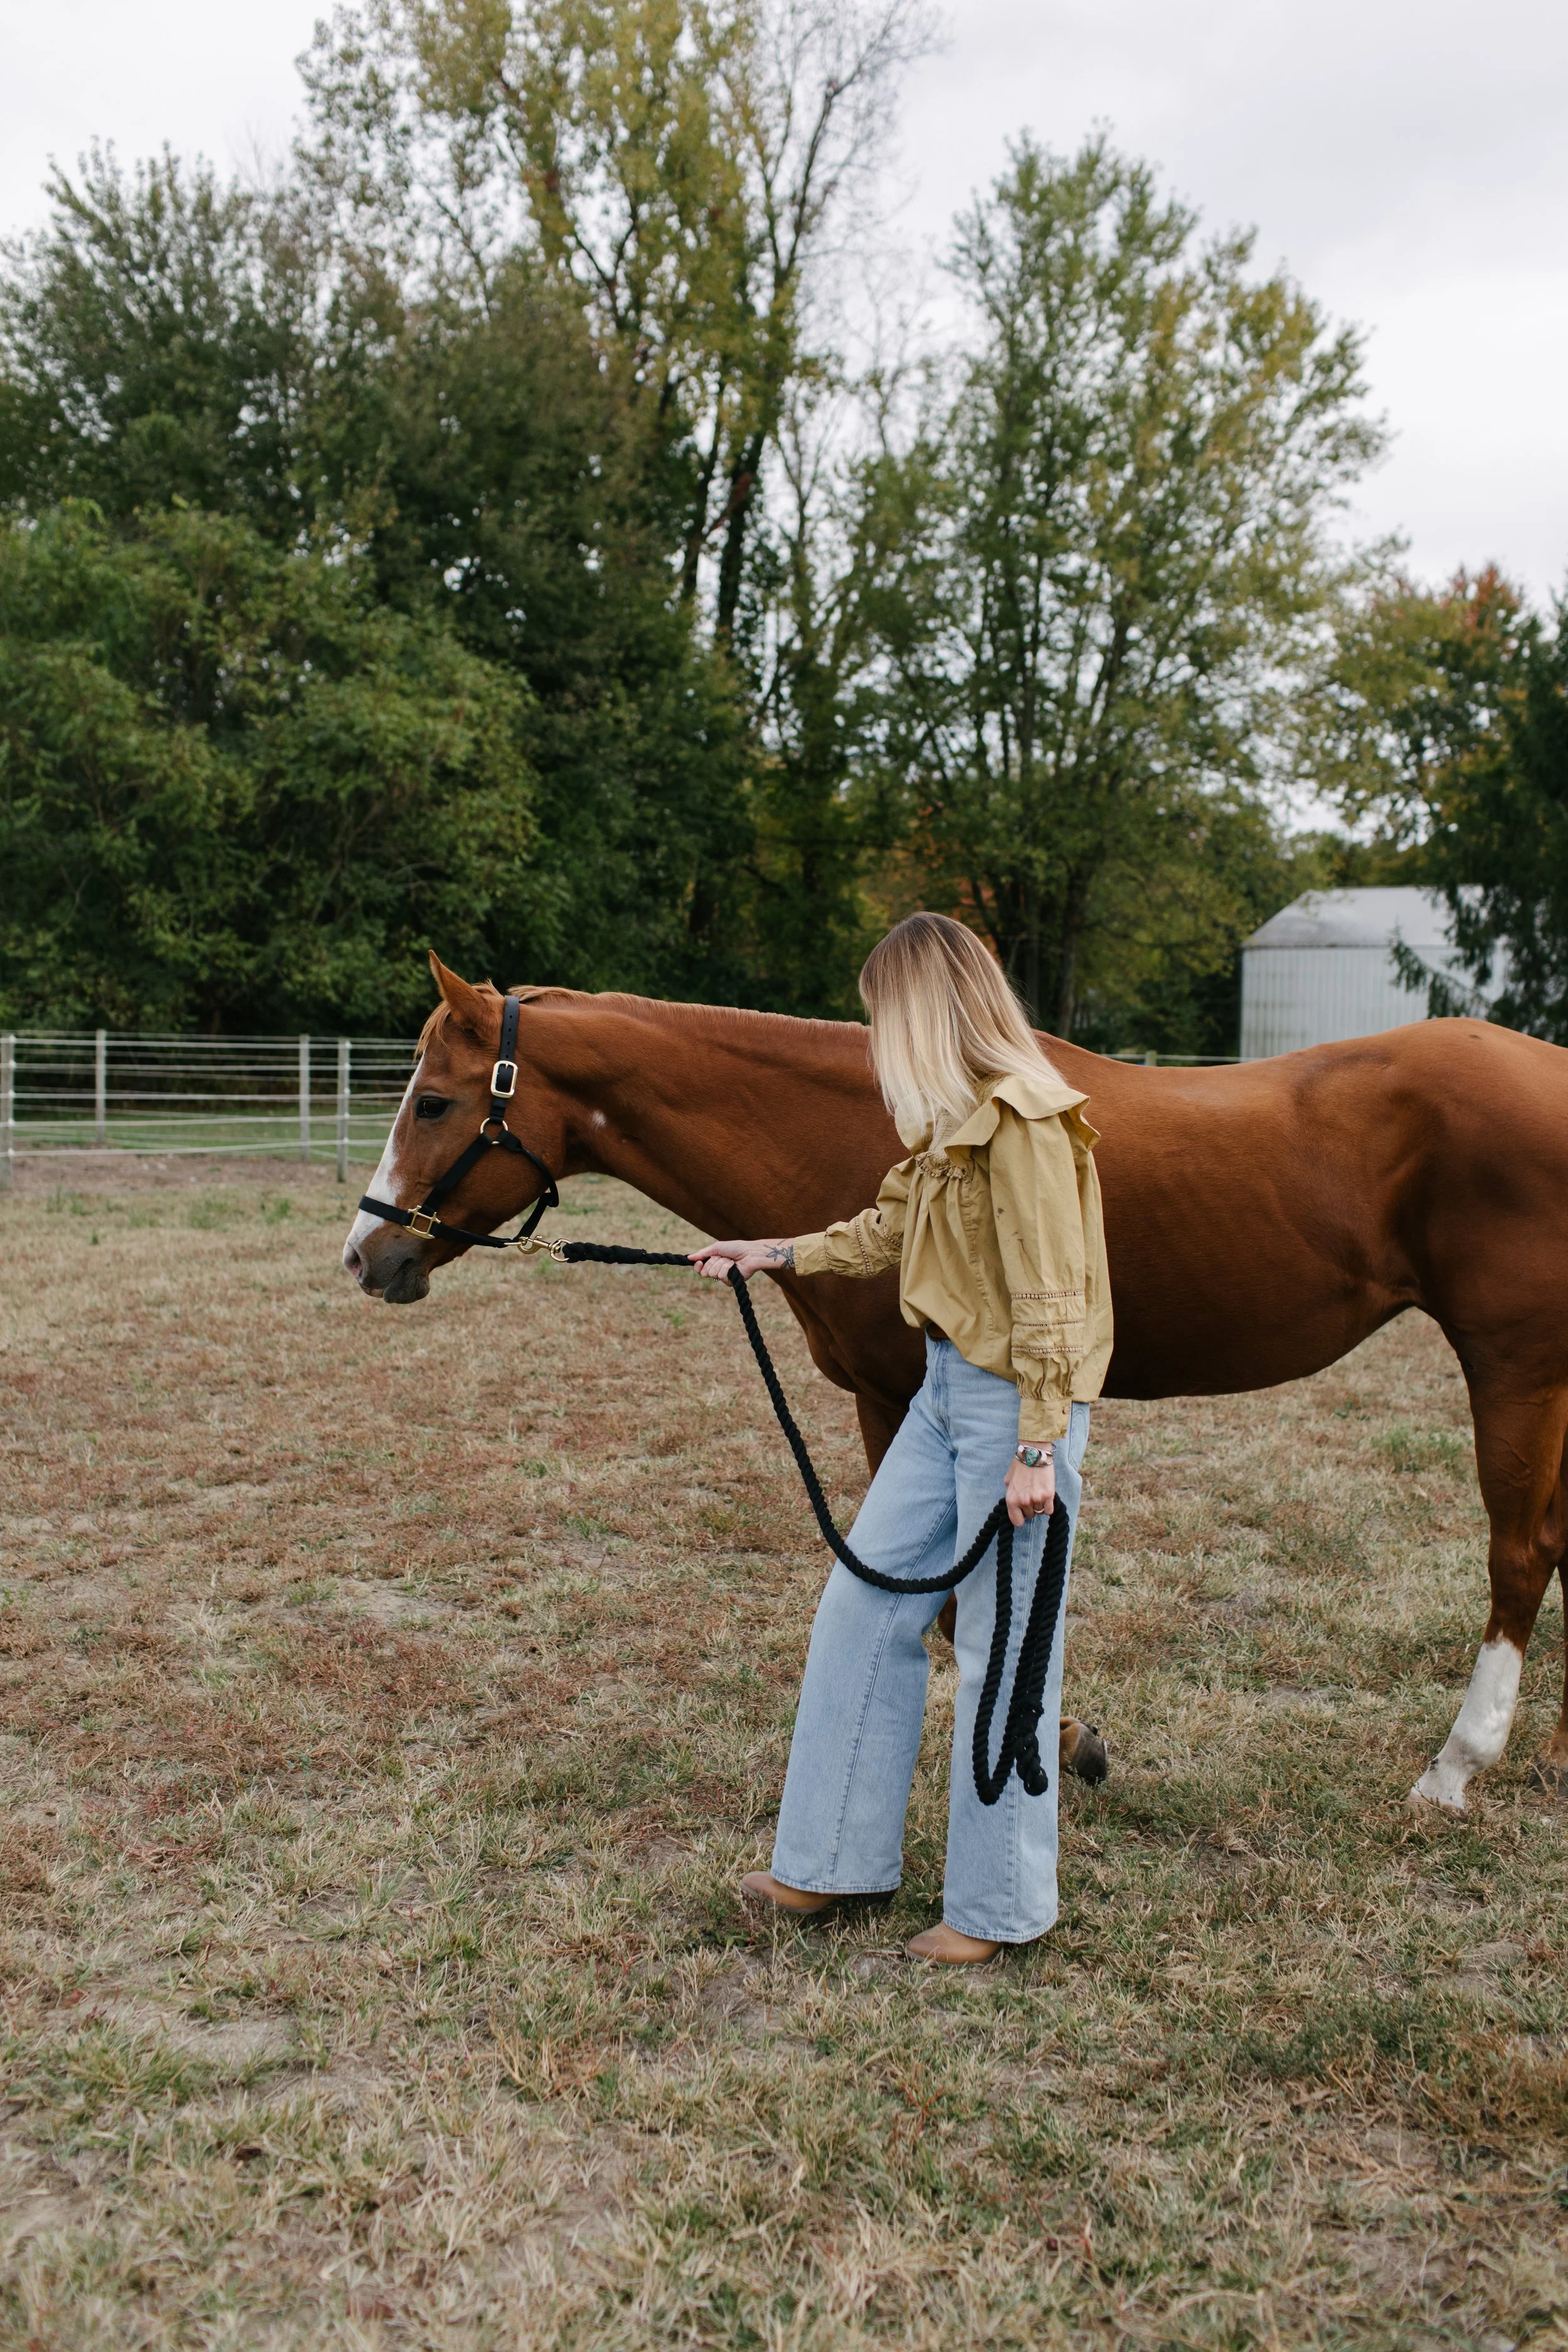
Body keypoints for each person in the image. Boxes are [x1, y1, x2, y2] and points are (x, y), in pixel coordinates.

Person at [690, 913, 1113, 1966]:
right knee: (863, 1607)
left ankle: (997, 1909)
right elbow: (886, 1229)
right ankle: (830, 1858)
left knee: (1005, 1655)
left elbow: (1053, 1295)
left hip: (1014, 1404)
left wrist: (1037, 1447)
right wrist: (775, 1252)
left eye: (883, 1017)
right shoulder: (945, 1130)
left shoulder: (1025, 1124)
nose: (875, 1038)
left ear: (926, 1014)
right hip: (941, 1393)